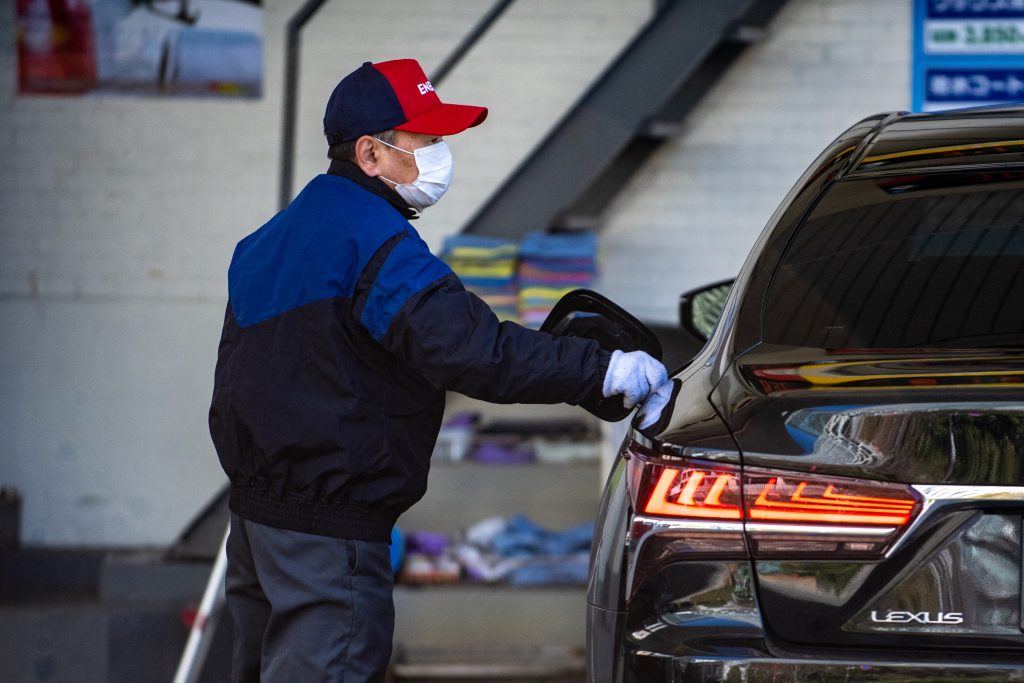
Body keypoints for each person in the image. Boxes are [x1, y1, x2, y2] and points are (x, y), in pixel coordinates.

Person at [208, 58, 673, 682]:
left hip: (258, 529)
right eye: (425, 140)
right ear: (371, 153)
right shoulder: (372, 241)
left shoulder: (264, 242)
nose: (440, 153)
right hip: (329, 542)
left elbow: (242, 382)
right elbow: (475, 350)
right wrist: (601, 370)